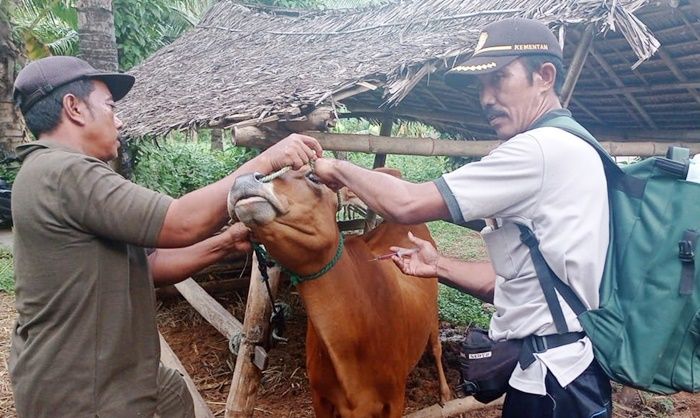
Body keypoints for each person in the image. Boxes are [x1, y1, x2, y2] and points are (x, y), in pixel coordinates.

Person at [313, 18, 612, 418]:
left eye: (499, 79)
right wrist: (439, 265)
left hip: (552, 386)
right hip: (568, 371)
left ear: (544, 76)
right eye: (480, 86)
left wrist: (336, 168)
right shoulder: (576, 146)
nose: (486, 97)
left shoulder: (537, 150)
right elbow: (518, 287)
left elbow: (407, 204)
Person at [9, 55, 322, 418]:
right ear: (74, 108)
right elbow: (182, 222)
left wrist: (224, 242)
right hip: (84, 389)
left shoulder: (49, 172)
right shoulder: (64, 171)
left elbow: (148, 264)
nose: (120, 120)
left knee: (172, 394)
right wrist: (265, 161)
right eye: (110, 107)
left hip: (103, 371)